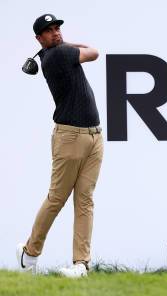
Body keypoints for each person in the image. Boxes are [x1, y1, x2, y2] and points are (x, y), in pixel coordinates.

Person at [17, 14, 103, 278]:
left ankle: (81, 264)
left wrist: (61, 43)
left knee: (85, 200)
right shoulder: (56, 57)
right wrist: (63, 45)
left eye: (57, 28)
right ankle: (29, 254)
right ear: (39, 38)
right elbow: (94, 52)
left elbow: (85, 51)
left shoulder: (57, 52)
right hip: (70, 137)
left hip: (94, 136)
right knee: (57, 198)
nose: (55, 33)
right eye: (49, 31)